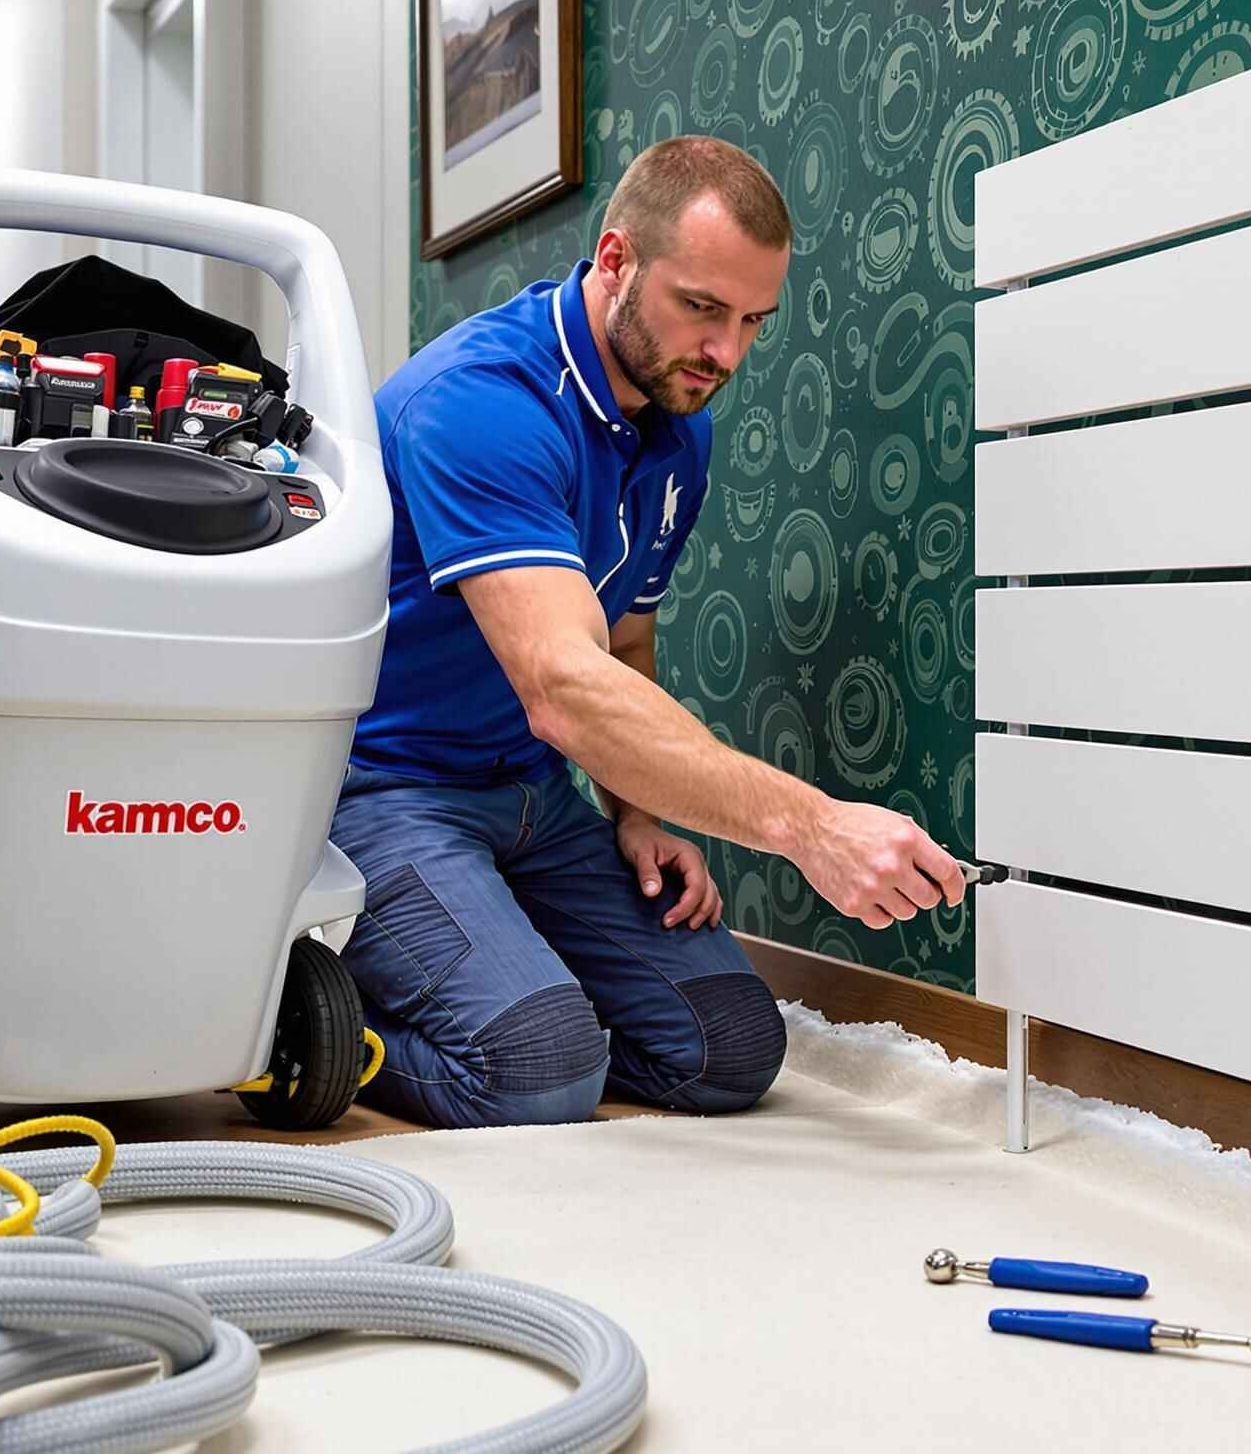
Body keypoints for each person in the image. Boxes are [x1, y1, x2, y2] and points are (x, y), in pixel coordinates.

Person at [330, 136, 968, 1128]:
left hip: (527, 791)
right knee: (538, 1071)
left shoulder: (678, 420)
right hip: (386, 786)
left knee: (728, 1052)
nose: (726, 355)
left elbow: (624, 641)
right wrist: (809, 825)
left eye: (754, 320)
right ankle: (312, 1013)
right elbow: (565, 684)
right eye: (702, 309)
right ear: (617, 262)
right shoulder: (481, 405)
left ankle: (507, 975)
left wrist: (635, 810)